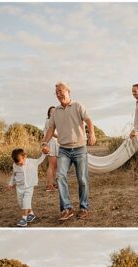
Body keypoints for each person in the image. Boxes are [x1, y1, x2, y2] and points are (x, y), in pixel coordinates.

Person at [41, 82, 96, 222]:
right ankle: (67, 208)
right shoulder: (56, 112)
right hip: (64, 149)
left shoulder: (78, 106)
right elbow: (51, 129)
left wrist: (92, 133)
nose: (59, 94)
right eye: (56, 92)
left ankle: (84, 208)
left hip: (79, 148)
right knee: (60, 176)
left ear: (68, 91)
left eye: (61, 91)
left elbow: (88, 119)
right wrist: (45, 142)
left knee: (82, 179)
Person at [7, 148, 46, 227]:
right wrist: (11, 183)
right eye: (17, 164)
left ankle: (24, 219)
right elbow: (13, 175)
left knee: (26, 201)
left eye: (20, 163)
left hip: (29, 186)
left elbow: (40, 159)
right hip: (19, 187)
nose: (19, 165)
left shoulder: (32, 162)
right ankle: (31, 214)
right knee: (21, 203)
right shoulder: (15, 165)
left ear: (24, 157)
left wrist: (44, 153)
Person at [43, 106, 59, 192]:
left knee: (55, 166)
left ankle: (54, 184)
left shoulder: (56, 121)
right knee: (51, 165)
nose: (53, 113)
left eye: (54, 111)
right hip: (51, 144)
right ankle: (48, 185)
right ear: (49, 113)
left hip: (56, 144)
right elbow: (51, 132)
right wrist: (61, 136)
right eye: (51, 111)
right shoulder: (48, 121)